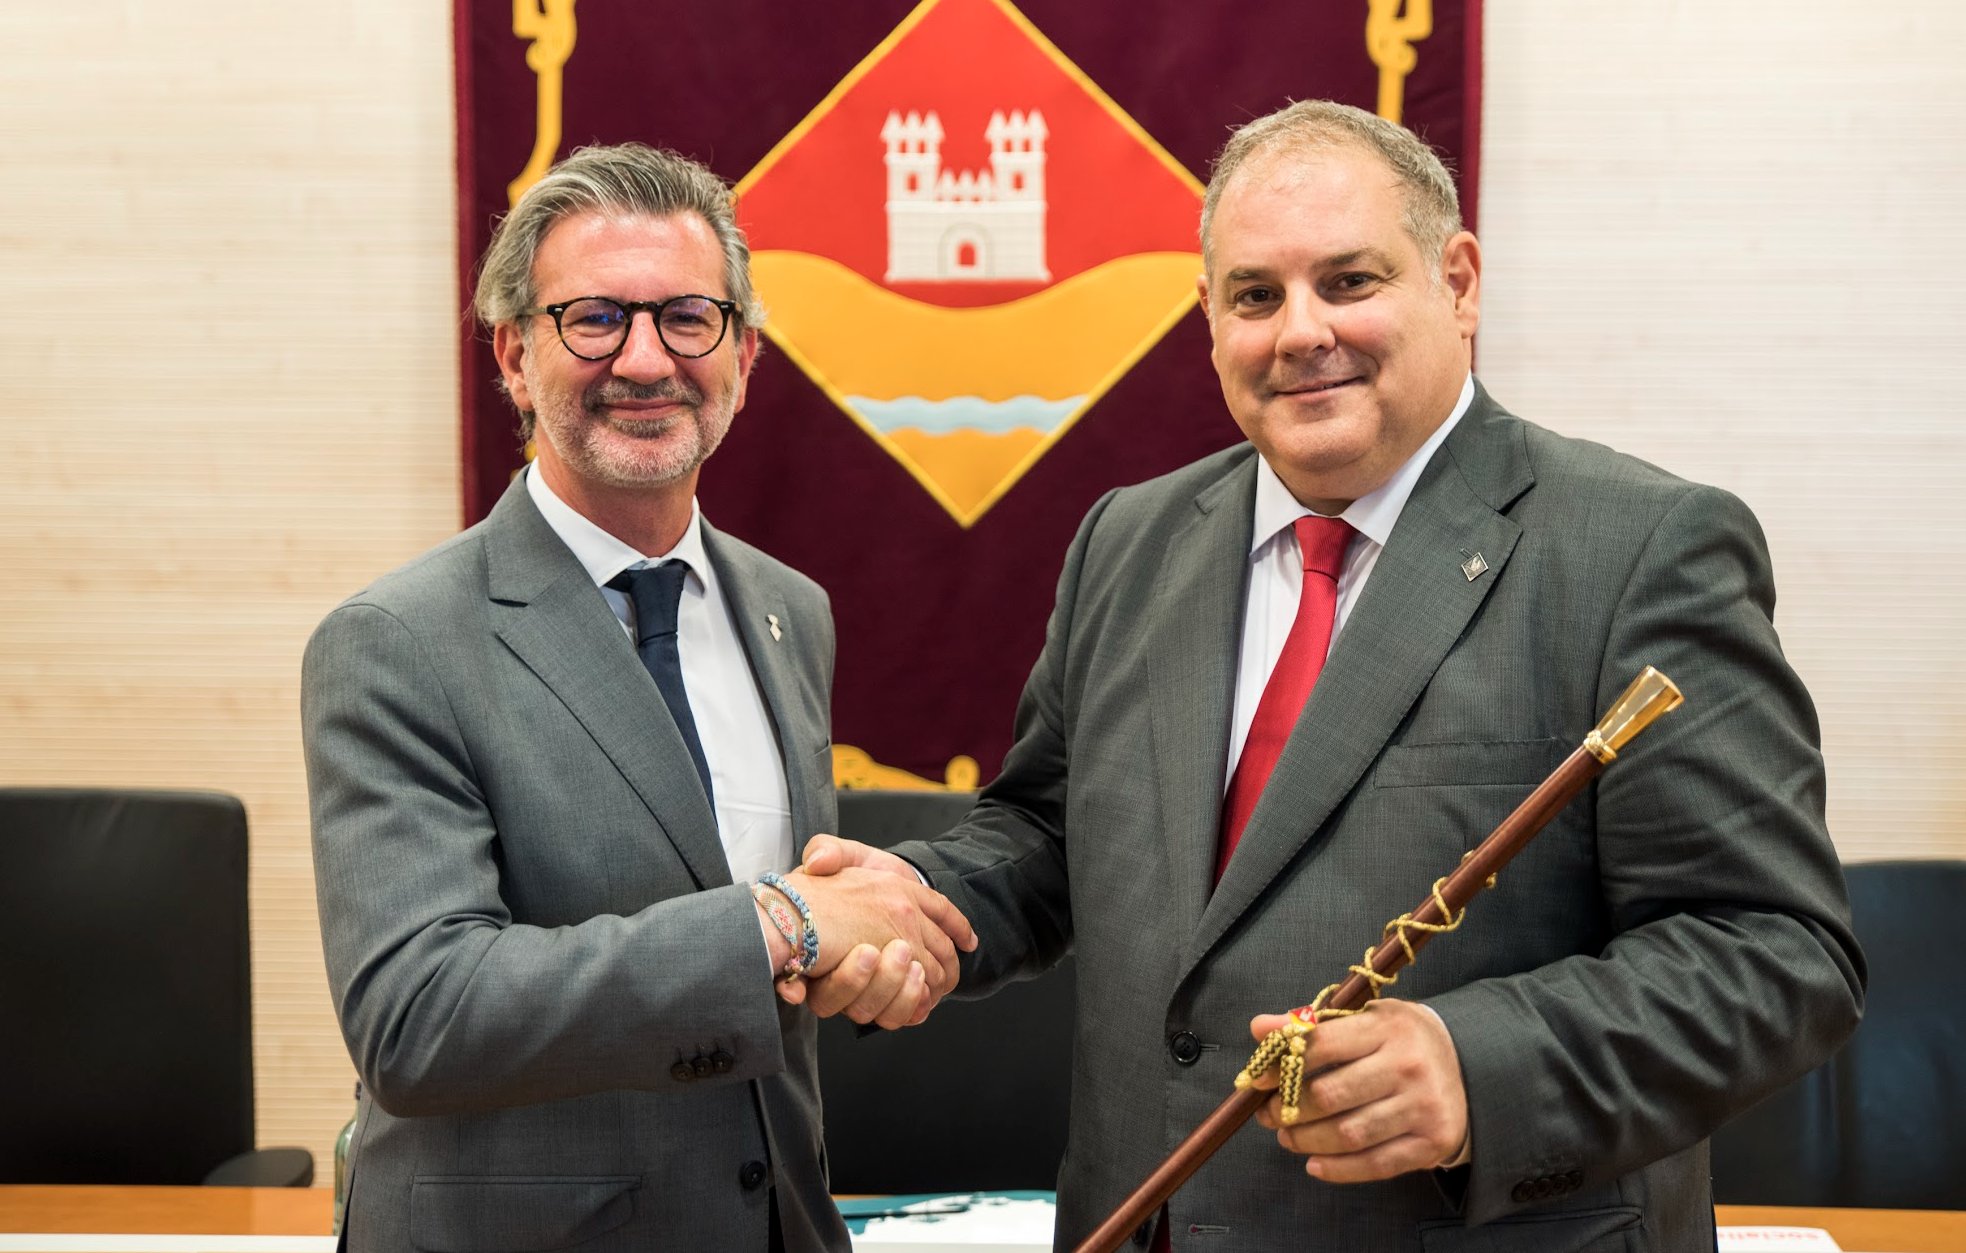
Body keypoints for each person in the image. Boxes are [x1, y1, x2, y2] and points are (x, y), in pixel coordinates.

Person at [798, 101, 1864, 1250]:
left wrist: (1479, 1067)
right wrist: (919, 905)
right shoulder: (1131, 537)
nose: (1300, 331)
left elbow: (1774, 954)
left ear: (1456, 282)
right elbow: (1053, 831)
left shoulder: (1639, 549)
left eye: (1349, 281)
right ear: (1209, 318)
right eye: (1255, 295)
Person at [301, 143, 975, 1253]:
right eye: (596, 319)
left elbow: (761, 966)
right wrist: (785, 922)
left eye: (687, 318)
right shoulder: (395, 643)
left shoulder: (789, 611)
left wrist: (864, 956)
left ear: (744, 356)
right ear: (515, 355)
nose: (646, 358)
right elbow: (418, 1018)